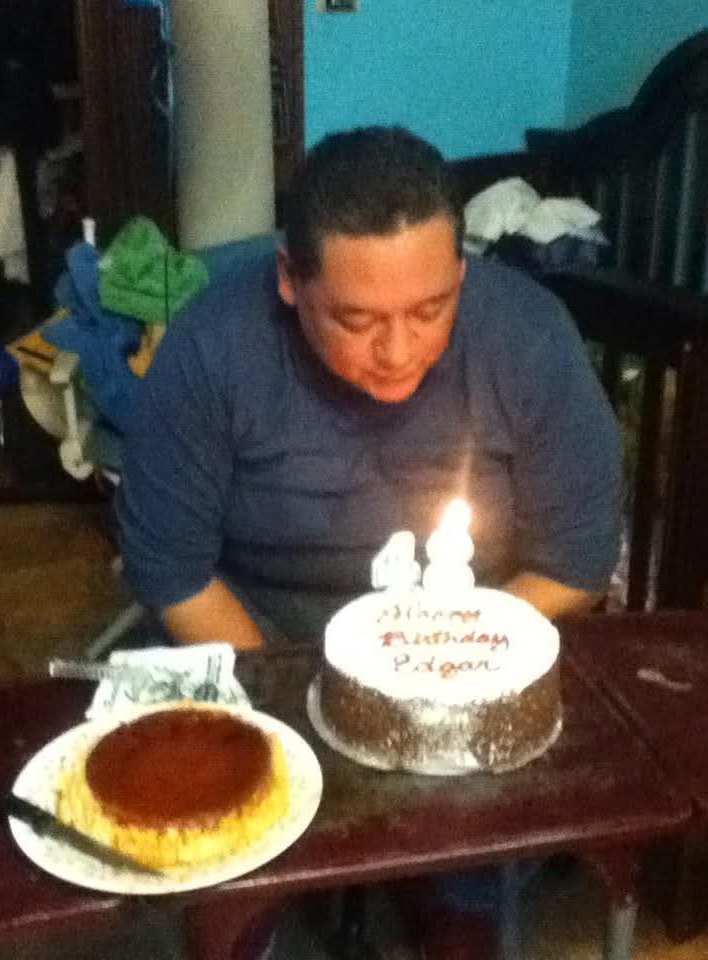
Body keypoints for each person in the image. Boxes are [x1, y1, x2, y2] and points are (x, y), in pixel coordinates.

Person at [116, 125, 622, 960]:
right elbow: (171, 572)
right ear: (291, 279)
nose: (397, 351)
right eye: (355, 318)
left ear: (460, 273)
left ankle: (450, 894)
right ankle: (250, 909)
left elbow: (577, 562)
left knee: (472, 846)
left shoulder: (529, 338)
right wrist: (297, 699)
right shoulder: (211, 349)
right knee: (217, 837)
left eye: (430, 310)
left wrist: (436, 670)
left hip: (468, 642)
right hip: (259, 640)